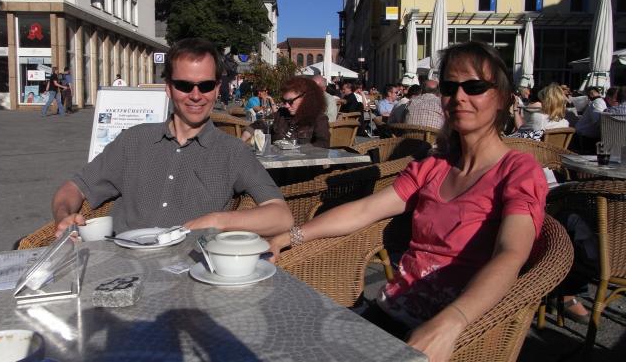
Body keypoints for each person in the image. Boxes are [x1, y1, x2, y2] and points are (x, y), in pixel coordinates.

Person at [269, 41, 546, 361]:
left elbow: (512, 253)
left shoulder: (517, 170)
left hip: (460, 331)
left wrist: (452, 322)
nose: (459, 97)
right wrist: (288, 236)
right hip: (390, 313)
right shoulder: (435, 165)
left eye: (474, 87)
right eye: (449, 86)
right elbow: (365, 209)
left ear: (501, 98)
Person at [52, 38, 293, 237]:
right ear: (168, 88)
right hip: (120, 267)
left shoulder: (232, 151)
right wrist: (64, 217)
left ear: (218, 89)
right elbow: (74, 188)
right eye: (184, 86)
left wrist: (217, 220)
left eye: (206, 85)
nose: (196, 95)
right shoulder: (134, 140)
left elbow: (281, 216)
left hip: (188, 275)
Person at [242, 77, 330, 148]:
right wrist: (243, 138)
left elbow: (323, 144)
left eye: (290, 101)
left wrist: (298, 150)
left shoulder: (318, 118)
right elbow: (259, 124)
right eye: (284, 101)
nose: (286, 105)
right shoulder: (281, 114)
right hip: (276, 165)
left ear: (306, 99)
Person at [574, 86, 607, 153]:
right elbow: (598, 123)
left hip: (586, 135)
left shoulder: (597, 102)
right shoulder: (597, 102)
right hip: (586, 137)